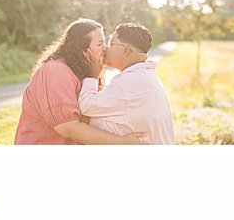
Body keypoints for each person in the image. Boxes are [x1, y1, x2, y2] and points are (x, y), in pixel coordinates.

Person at [14, 18, 147, 145]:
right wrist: (121, 142)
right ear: (81, 49)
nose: (105, 49)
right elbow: (67, 128)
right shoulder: (55, 70)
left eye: (105, 43)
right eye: (100, 44)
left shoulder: (84, 72)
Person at [77, 23, 176, 144]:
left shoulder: (128, 83)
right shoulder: (144, 75)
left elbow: (86, 106)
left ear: (126, 51)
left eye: (111, 43)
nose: (105, 48)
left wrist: (92, 74)